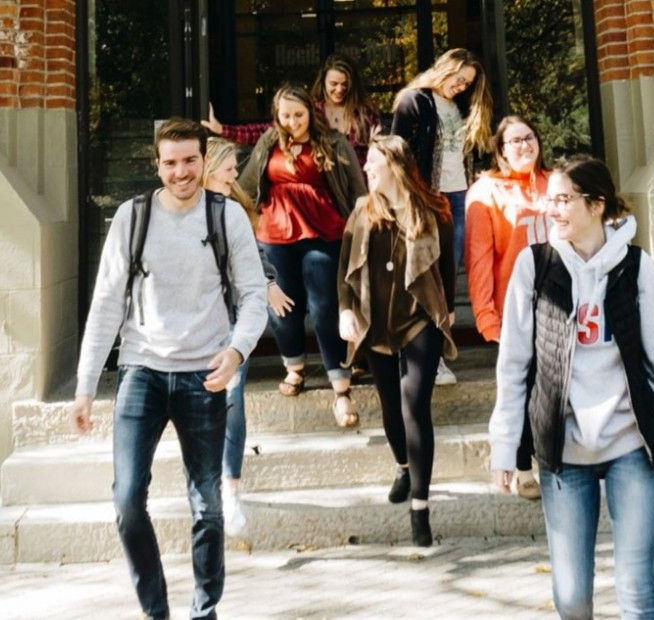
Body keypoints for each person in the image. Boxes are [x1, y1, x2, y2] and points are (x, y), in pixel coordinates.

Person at [71, 118, 268, 620]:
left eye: (190, 161)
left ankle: (204, 610)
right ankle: (156, 611)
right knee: (127, 502)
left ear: (204, 160)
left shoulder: (227, 217)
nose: (181, 172)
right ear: (157, 165)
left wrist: (238, 350)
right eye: (170, 163)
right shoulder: (131, 218)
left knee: (208, 505)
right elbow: (105, 305)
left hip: (205, 373)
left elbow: (252, 297)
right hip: (142, 371)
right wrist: (86, 387)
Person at [489, 155, 654, 618]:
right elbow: (514, 365)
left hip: (630, 442)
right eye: (551, 200)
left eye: (564, 200)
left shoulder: (634, 266)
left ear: (597, 204)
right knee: (572, 599)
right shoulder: (536, 265)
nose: (553, 210)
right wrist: (505, 446)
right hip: (564, 449)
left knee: (637, 589)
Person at [338, 135, 457, 546]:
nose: (367, 169)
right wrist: (345, 310)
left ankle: (420, 510)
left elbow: (447, 262)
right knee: (391, 407)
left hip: (418, 320)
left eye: (373, 162)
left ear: (395, 166)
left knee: (415, 406)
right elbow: (344, 270)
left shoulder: (434, 210)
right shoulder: (362, 211)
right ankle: (404, 466)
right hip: (376, 325)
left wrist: (449, 309)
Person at [239, 82, 367, 427]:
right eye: (286, 115)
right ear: (276, 116)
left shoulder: (335, 143)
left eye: (299, 114)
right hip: (275, 236)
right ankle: (294, 367)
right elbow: (246, 184)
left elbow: (358, 191)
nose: (293, 121)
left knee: (327, 308)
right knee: (282, 309)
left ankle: (341, 387)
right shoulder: (269, 142)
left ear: (312, 111)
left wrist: (362, 227)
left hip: (323, 234)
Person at [202, 136, 294, 537]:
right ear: (210, 166)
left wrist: (269, 282)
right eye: (229, 167)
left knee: (233, 403)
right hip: (196, 323)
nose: (235, 173)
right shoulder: (188, 208)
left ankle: (230, 490)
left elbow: (255, 256)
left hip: (234, 321)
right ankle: (204, 488)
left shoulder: (236, 206)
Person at [391, 47, 494, 385]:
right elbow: (397, 155)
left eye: (467, 83)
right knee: (426, 274)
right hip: (427, 198)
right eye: (460, 79)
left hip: (459, 196)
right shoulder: (414, 101)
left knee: (448, 274)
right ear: (445, 69)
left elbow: (472, 151)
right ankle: (423, 355)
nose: (462, 87)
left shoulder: (462, 106)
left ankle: (435, 351)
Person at [465, 115, 550, 500]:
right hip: (514, 306)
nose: (523, 146)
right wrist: (485, 313)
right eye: (513, 141)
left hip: (562, 304)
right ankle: (522, 465)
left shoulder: (556, 183)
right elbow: (479, 257)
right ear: (500, 150)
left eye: (528, 138)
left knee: (553, 387)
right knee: (521, 388)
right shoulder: (486, 191)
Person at [202, 53, 380, 169]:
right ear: (323, 82)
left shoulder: (365, 113)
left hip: (361, 186)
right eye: (334, 84)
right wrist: (222, 129)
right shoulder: (313, 111)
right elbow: (266, 131)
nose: (340, 89)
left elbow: (379, 149)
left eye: (345, 84)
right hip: (327, 187)